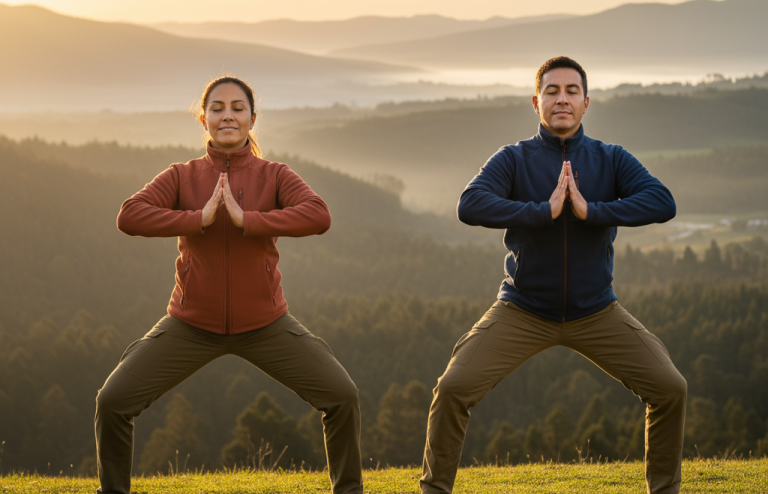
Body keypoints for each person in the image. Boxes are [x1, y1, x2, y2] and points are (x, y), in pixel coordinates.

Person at [420, 57, 687, 494]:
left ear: (586, 103)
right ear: (536, 102)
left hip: (597, 310)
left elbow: (662, 202)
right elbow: (470, 205)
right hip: (523, 309)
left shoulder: (611, 159)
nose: (561, 99)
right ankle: (434, 489)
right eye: (551, 91)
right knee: (452, 388)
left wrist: (591, 211)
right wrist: (541, 211)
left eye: (571, 91)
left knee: (670, 387)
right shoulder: (513, 159)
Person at [94, 75, 363, 494]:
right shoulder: (182, 176)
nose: (228, 116)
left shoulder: (274, 175)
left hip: (266, 324)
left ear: (253, 119)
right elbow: (129, 215)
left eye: (238, 108)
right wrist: (196, 219)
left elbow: (318, 215)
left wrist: (248, 220)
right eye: (218, 108)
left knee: (342, 396)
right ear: (203, 119)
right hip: (189, 325)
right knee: (113, 402)